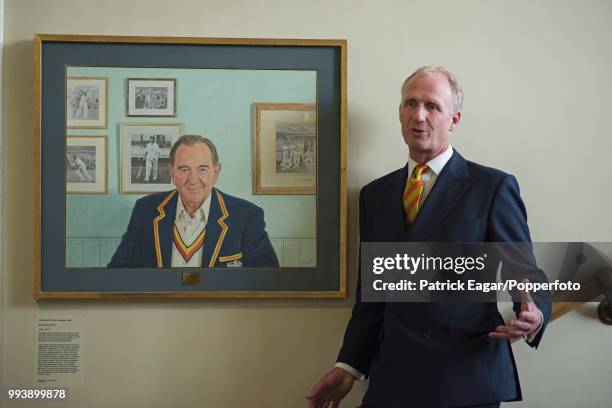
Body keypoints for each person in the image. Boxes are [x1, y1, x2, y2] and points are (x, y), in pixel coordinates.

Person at [307, 66, 551, 408]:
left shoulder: (491, 187)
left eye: (432, 106)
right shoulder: (375, 195)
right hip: (393, 377)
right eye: (410, 103)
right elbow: (371, 296)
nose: (418, 115)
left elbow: (524, 270)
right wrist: (348, 366)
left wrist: (535, 312)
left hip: (463, 378)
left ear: (454, 119)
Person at [108, 134, 279, 268]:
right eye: (184, 169)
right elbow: (118, 272)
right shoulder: (145, 210)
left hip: (222, 312)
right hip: (159, 310)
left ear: (216, 172)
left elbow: (267, 280)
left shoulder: (246, 216)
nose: (193, 179)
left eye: (202, 169)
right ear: (172, 173)